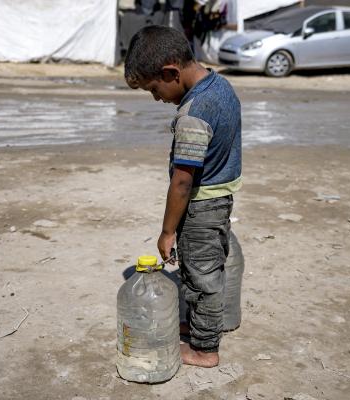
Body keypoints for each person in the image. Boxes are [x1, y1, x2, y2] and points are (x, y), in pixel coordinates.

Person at [124, 25, 242, 368]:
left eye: (153, 88)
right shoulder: (221, 87)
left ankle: (205, 349)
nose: (156, 97)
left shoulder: (193, 114)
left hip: (202, 206)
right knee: (202, 267)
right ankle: (197, 325)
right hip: (220, 198)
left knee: (201, 276)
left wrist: (167, 231)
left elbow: (182, 182)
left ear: (170, 72)